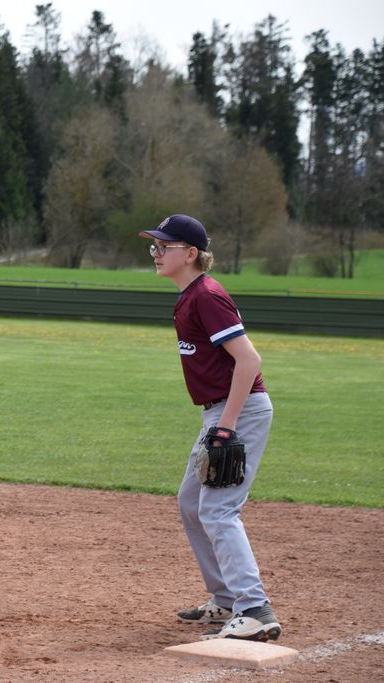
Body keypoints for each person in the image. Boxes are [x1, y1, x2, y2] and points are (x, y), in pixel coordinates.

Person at [139, 214, 282, 642]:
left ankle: (254, 607)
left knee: (218, 509)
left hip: (240, 411)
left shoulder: (207, 296)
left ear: (191, 254)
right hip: (219, 412)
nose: (156, 253)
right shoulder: (190, 296)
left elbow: (249, 360)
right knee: (191, 501)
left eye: (164, 246)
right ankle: (225, 597)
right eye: (154, 246)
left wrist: (227, 427)